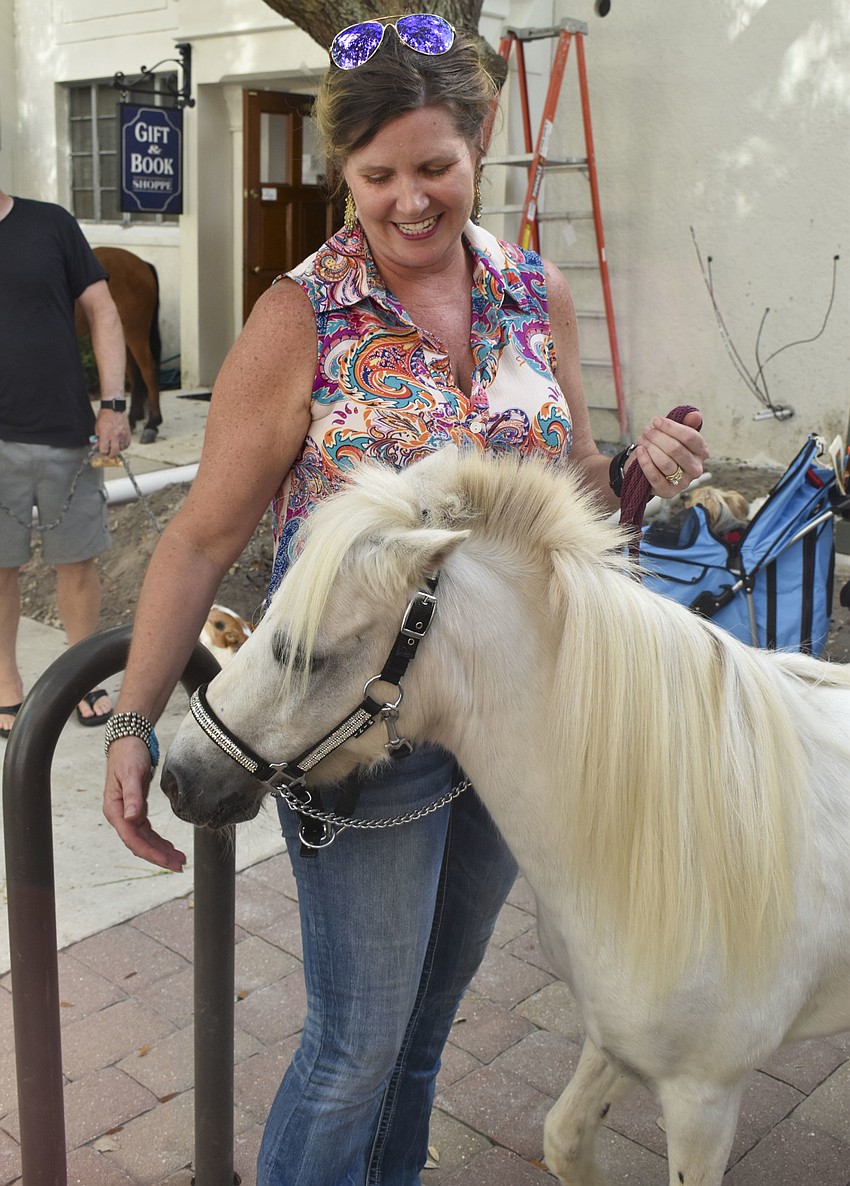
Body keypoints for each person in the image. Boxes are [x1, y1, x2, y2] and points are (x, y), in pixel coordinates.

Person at [102, 15, 709, 1185]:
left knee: (426, 1036)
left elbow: (571, 493)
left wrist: (636, 472)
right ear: (346, 176)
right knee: (354, 1044)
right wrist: (132, 723)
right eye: (377, 176)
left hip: (512, 719)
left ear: (478, 144)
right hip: (358, 732)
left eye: (434, 166)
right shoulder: (302, 317)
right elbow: (199, 537)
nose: (409, 200)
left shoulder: (535, 289)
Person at [0, 189, 131, 736]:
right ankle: (5, 685)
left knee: (77, 562)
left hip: (66, 431)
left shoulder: (50, 224)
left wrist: (114, 404)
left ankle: (80, 676)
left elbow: (103, 311)